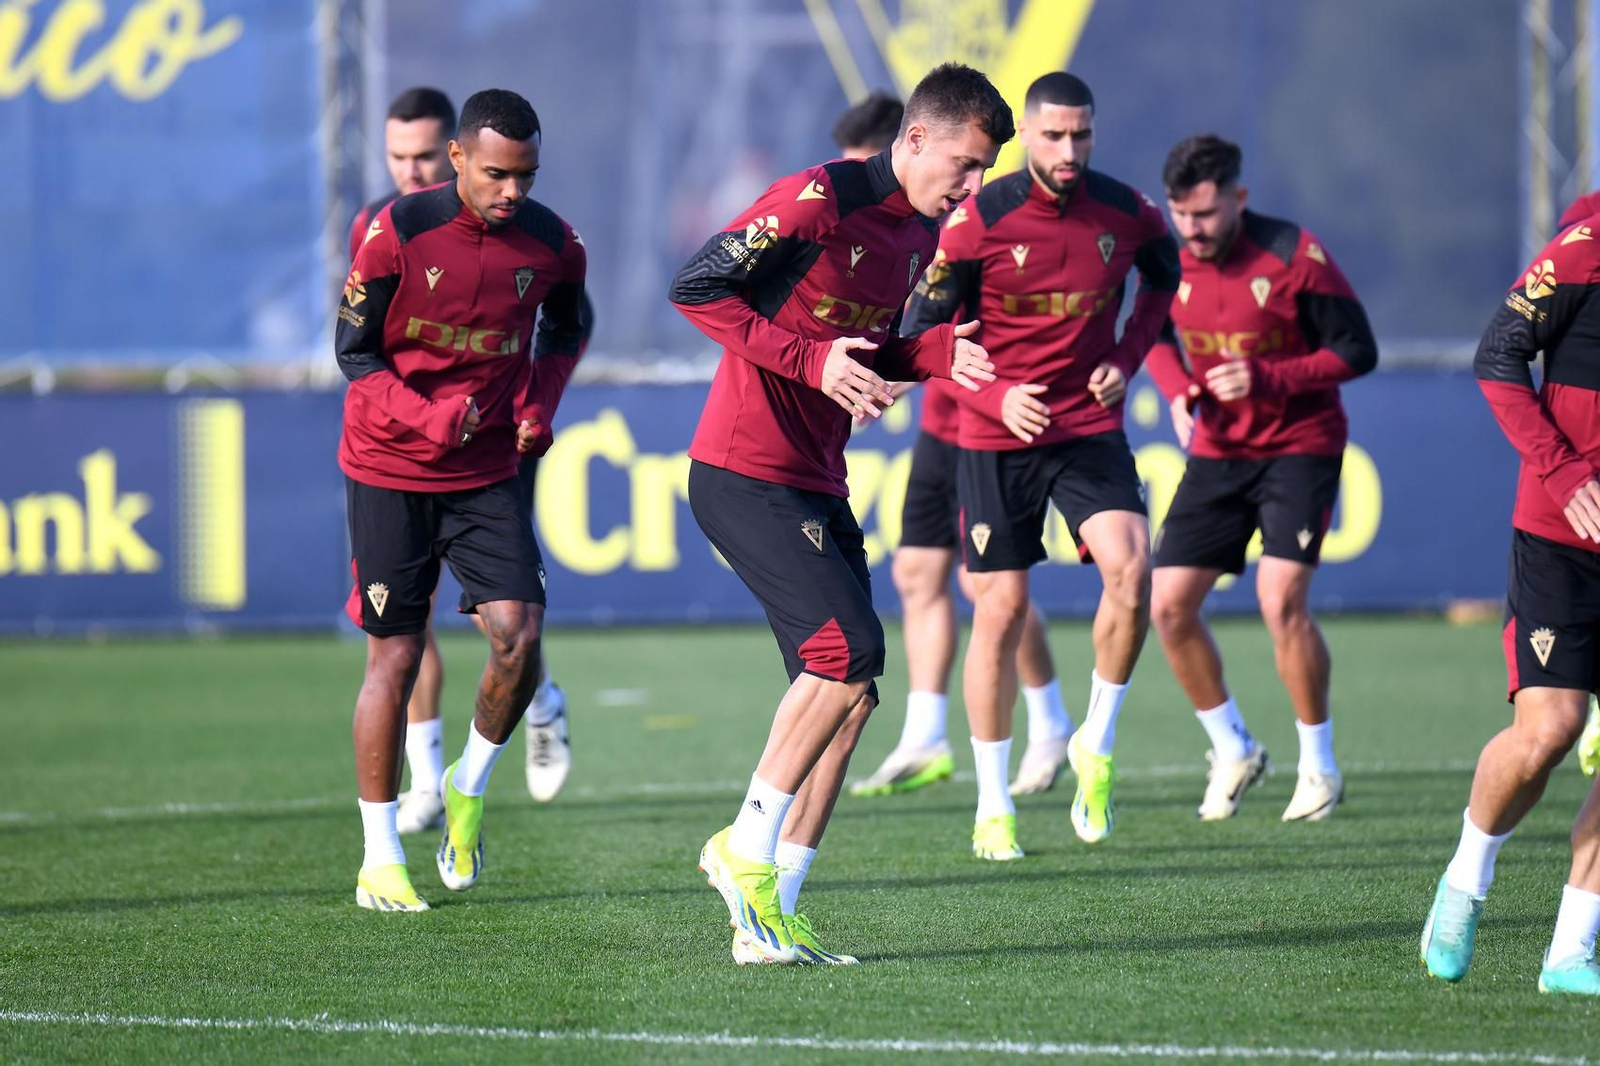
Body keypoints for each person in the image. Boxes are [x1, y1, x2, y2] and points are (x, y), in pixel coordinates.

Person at [669, 62, 1011, 963]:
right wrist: (812, 364)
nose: (971, 188)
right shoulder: (819, 198)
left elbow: (862, 345)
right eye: (966, 166)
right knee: (847, 653)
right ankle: (742, 848)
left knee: (852, 695)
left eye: (982, 175)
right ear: (917, 140)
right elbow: (698, 286)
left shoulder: (912, 236)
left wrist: (928, 352)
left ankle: (767, 913)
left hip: (815, 477)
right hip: (743, 471)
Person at [904, 72, 1178, 859]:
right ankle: (994, 804)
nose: (1069, 149)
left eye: (1081, 135)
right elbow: (924, 339)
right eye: (1053, 135)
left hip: (1087, 424)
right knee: (999, 612)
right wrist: (995, 401)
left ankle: (1095, 740)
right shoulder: (974, 222)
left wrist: (1127, 355)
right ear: (1026, 136)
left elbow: (1164, 282)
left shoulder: (1128, 214)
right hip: (994, 436)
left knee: (1132, 570)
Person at [337, 88, 587, 912]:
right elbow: (355, 356)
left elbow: (566, 326)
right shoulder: (396, 233)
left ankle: (468, 788)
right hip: (388, 468)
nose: (514, 192)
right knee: (397, 657)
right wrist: (429, 415)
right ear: (456, 161)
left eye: (527, 175)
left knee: (516, 635)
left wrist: (539, 403)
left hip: (483, 472)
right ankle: (379, 859)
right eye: (496, 175)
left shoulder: (553, 242)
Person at [846, 97, 1076, 802]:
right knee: (917, 571)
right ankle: (925, 735)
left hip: (979, 420)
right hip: (938, 422)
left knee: (991, 587)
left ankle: (1051, 719)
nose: (865, 186)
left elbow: (954, 329)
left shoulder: (960, 218)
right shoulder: (874, 223)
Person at [1143, 135, 1377, 822]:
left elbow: (1358, 348)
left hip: (1300, 446)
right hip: (1217, 451)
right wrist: (1180, 388)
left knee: (1281, 601)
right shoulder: (1165, 255)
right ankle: (1233, 746)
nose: (1194, 229)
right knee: (1168, 606)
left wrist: (1270, 376)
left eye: (1208, 214)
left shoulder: (1293, 255)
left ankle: (1319, 767)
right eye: (1182, 215)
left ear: (1239, 199)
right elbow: (1153, 332)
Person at [1417, 213, 1600, 995]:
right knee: (1548, 732)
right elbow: (1498, 355)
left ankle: (1570, 951)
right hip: (1562, 534)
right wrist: (1564, 472)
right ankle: (1464, 883)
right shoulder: (1586, 249)